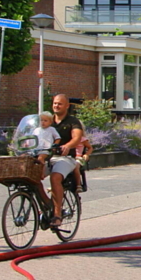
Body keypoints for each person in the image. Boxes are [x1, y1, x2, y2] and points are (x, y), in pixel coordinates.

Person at [48, 94, 85, 227]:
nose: (56, 106)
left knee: (55, 177)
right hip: (47, 156)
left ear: (67, 106)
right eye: (55, 103)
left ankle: (57, 214)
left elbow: (76, 138)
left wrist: (67, 146)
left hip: (66, 158)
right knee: (32, 176)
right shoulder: (47, 120)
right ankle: (45, 204)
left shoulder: (73, 121)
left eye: (60, 104)